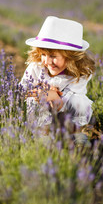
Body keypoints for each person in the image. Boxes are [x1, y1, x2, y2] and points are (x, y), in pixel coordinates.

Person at [20, 16, 96, 146]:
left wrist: (54, 95)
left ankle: (76, 135)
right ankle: (43, 136)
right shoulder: (36, 67)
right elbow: (22, 90)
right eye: (43, 54)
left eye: (53, 56)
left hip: (65, 118)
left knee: (80, 102)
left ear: (71, 56)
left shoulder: (80, 73)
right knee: (35, 98)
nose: (47, 62)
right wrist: (42, 91)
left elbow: (71, 98)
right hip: (42, 119)